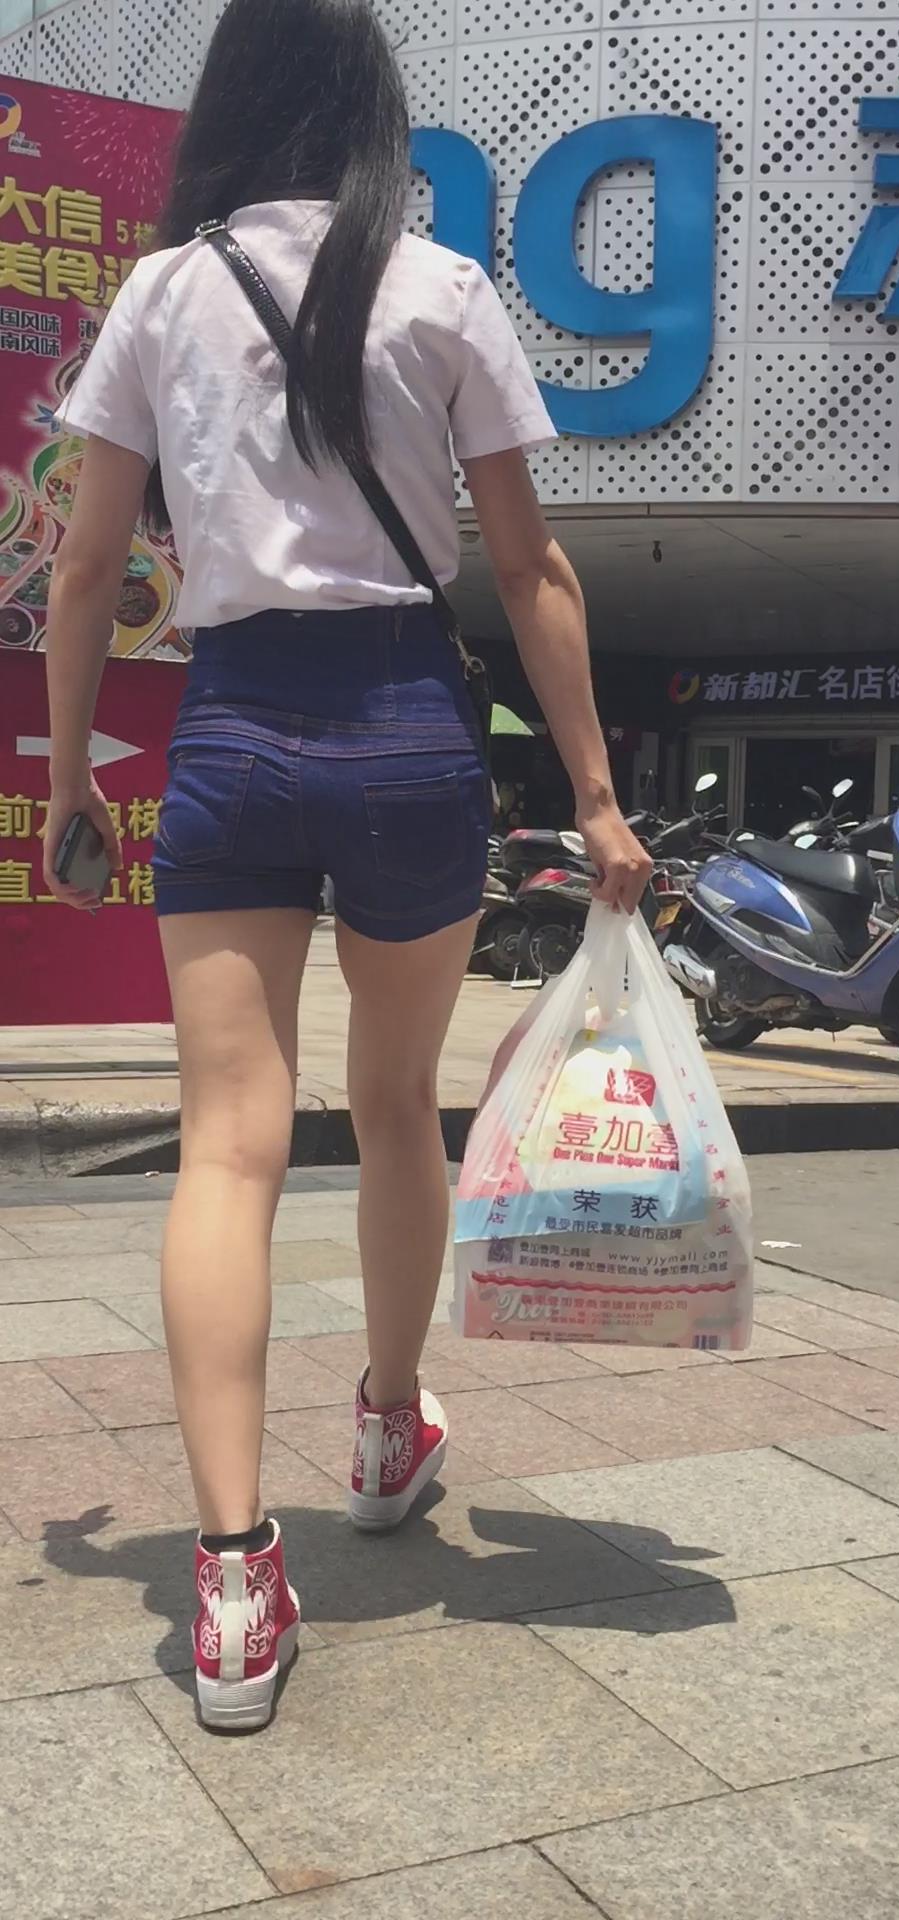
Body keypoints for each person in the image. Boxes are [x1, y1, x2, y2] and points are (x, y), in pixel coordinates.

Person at [42, 0, 651, 1732]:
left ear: (232, 100)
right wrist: (598, 797)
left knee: (227, 1142)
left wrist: (74, 774)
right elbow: (530, 570)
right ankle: (387, 1428)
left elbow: (85, 565)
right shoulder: (442, 286)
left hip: (232, 730)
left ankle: (234, 1578)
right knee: (395, 1107)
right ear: (372, 104)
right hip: (406, 731)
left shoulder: (165, 291)